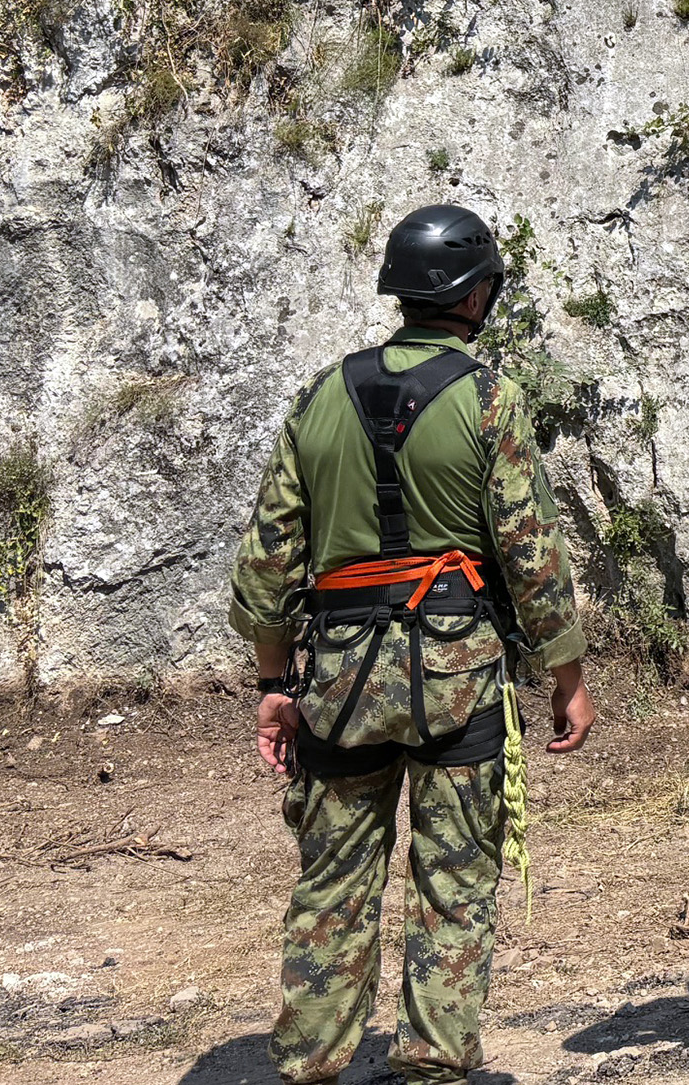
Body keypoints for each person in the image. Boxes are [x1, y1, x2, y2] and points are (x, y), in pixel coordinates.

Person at [229, 203, 596, 1085]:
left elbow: (267, 563)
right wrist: (567, 676)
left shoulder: (320, 395)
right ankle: (432, 1066)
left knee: (332, 885)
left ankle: (310, 1064)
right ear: (471, 296)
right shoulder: (489, 399)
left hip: (339, 682)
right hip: (456, 679)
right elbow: (533, 555)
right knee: (454, 884)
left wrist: (273, 682)